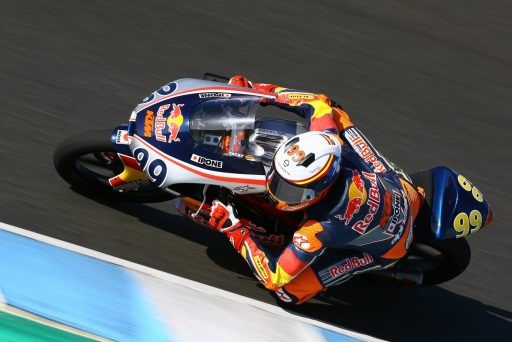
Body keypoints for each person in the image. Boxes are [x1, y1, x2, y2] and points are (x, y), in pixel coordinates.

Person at [208, 75, 423, 304]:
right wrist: (259, 92)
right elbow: (317, 104)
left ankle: (385, 270)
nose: (277, 194)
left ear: (318, 190)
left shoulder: (317, 230)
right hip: (400, 187)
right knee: (332, 110)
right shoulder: (330, 140)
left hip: (393, 244)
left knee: (288, 293)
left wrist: (234, 229)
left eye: (291, 190)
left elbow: (274, 277)